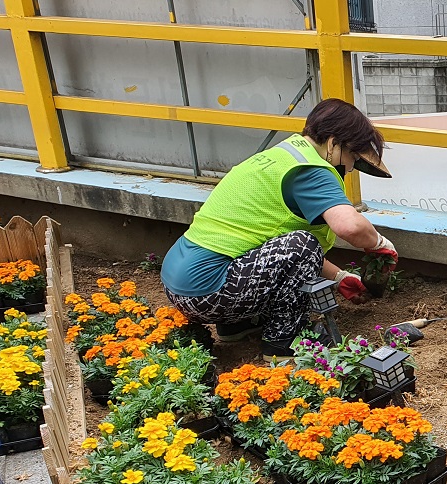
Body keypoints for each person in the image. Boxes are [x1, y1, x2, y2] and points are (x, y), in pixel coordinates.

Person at [161, 98, 398, 361]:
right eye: (353, 156)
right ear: (332, 143)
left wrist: (339, 277)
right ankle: (283, 345)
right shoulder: (311, 169)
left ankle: (236, 325)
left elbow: (273, 251)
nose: (352, 167)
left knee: (296, 246)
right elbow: (349, 226)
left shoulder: (279, 156)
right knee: (303, 243)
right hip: (211, 292)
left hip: (182, 285)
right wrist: (380, 244)